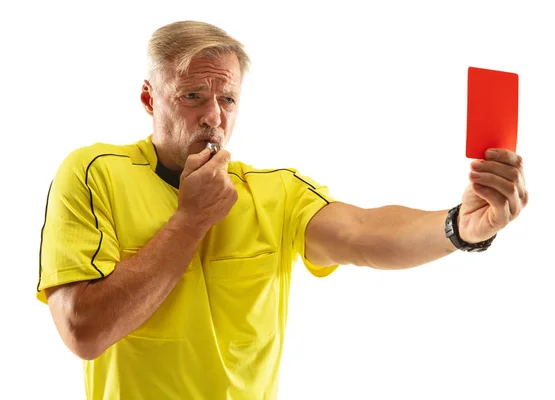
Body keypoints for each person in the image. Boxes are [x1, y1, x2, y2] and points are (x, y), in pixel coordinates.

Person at [36, 20, 528, 400]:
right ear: (149, 98)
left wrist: (459, 227)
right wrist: (191, 221)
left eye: (228, 97)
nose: (214, 116)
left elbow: (363, 231)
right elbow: (83, 331)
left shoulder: (273, 192)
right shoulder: (91, 172)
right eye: (192, 97)